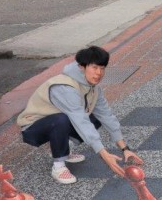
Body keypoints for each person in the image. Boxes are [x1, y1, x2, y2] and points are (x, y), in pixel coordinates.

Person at [17, 45, 142, 185]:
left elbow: (107, 116)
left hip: (57, 121)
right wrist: (104, 154)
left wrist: (125, 149)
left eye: (102, 68)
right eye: (94, 68)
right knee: (62, 119)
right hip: (33, 128)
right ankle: (58, 166)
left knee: (95, 118)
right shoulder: (65, 87)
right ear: (82, 67)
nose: (99, 73)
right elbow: (80, 120)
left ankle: (65, 148)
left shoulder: (93, 88)